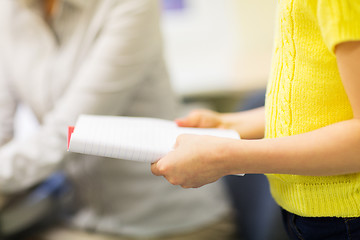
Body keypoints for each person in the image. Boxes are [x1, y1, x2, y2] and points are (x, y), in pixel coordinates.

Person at [0, 0, 236, 239]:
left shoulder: (129, 5)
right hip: (78, 215)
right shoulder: (11, 10)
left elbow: (69, 132)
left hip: (166, 225)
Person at [151, 0, 360, 239]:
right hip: (312, 215)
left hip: (345, 221)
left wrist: (226, 158)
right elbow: (327, 102)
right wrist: (229, 125)